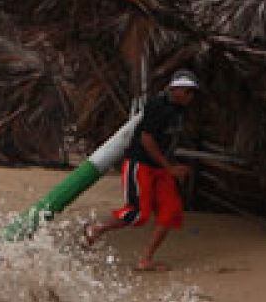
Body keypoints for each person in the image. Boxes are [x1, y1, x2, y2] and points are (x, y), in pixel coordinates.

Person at [84, 69, 199, 271]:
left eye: (193, 93)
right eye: (188, 92)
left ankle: (145, 259)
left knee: (170, 212)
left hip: (160, 168)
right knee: (137, 213)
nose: (191, 97)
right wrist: (169, 167)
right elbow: (147, 139)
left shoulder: (179, 110)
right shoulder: (158, 106)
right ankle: (97, 228)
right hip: (140, 165)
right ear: (176, 90)